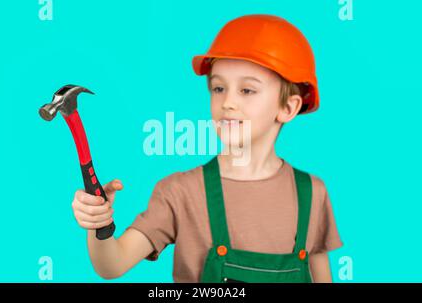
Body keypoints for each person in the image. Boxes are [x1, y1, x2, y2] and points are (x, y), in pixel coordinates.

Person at [71, 14, 343, 283]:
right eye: (218, 88)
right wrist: (98, 224)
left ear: (288, 107)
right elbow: (111, 265)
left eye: (247, 90)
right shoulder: (180, 192)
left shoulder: (312, 193)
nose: (227, 102)